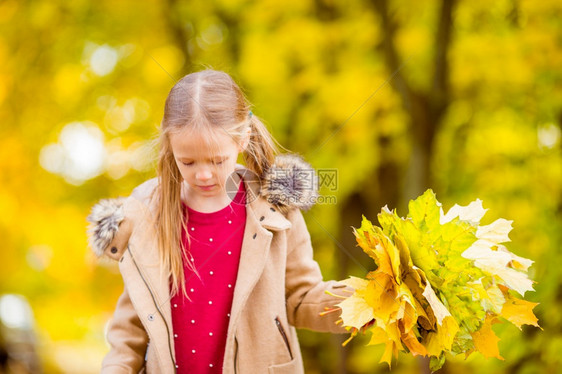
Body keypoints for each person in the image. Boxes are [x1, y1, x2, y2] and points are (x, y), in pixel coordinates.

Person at [87, 69, 348, 373]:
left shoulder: (277, 206)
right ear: (170, 145)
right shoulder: (146, 215)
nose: (203, 174)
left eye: (217, 160)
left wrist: (367, 303)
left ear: (243, 139)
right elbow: (130, 330)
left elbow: (301, 299)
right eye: (187, 161)